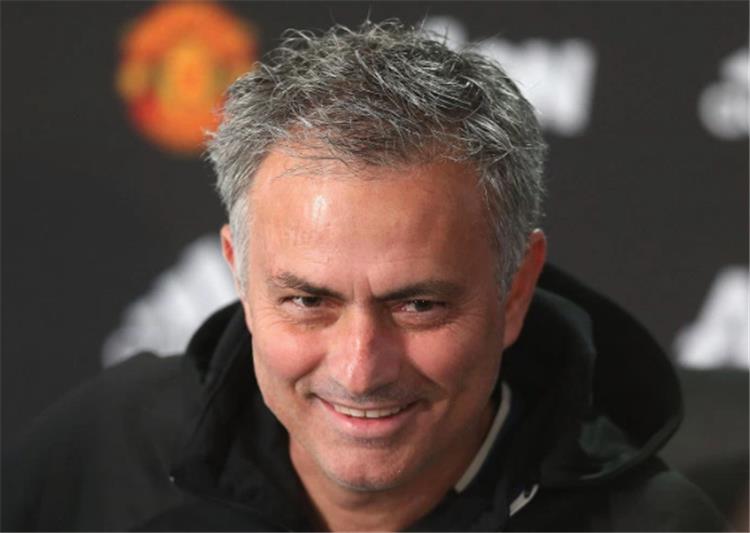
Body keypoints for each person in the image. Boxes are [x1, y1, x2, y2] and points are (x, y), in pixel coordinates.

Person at [2, 20, 727, 532]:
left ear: (515, 291)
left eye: (419, 305)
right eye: (307, 300)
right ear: (240, 277)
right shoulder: (104, 454)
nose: (360, 368)